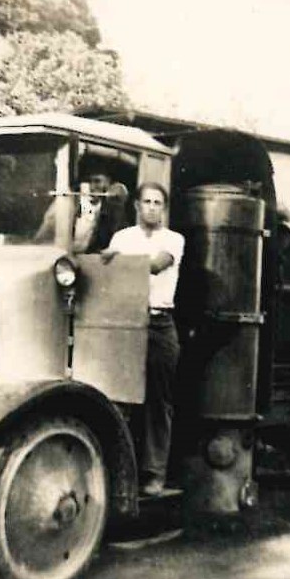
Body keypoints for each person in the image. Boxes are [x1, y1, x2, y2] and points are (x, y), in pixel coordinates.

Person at [101, 182, 185, 496]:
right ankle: (118, 473)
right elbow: (107, 272)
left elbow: (157, 265)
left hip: (160, 324)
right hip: (125, 321)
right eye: (147, 201)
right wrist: (111, 257)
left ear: (164, 208)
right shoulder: (122, 237)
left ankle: (154, 475)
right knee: (120, 397)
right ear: (137, 205)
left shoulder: (174, 239)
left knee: (158, 401)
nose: (152, 207)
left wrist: (118, 259)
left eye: (157, 203)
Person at [33, 171, 128, 252]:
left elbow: (121, 241)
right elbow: (41, 238)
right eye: (88, 182)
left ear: (108, 183)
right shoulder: (66, 204)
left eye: (97, 181)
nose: (92, 187)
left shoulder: (113, 211)